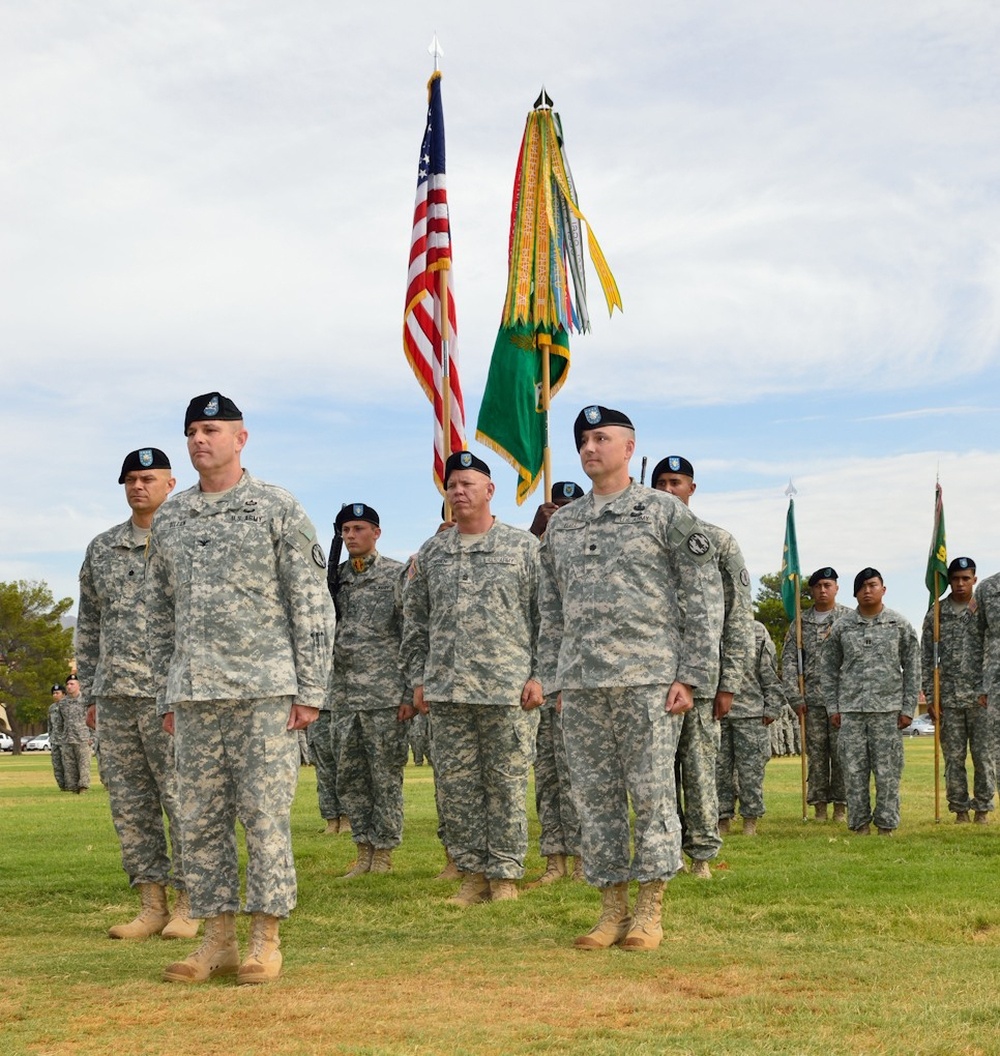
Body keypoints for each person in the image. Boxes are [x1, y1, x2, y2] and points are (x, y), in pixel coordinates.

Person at [146, 392, 335, 985]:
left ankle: (265, 939)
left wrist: (311, 689)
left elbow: (311, 602)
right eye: (192, 432)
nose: (200, 440)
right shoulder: (173, 517)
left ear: (240, 438)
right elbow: (158, 613)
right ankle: (216, 940)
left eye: (211, 429)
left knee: (263, 817)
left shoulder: (276, 507)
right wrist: (166, 693)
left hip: (265, 692)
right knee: (199, 820)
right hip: (196, 695)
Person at [539, 408, 722, 951]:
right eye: (583, 440)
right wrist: (555, 681)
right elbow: (550, 610)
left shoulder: (663, 513)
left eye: (602, 438)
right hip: (584, 685)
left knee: (652, 797)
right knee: (594, 799)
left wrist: (691, 675)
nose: (590, 447)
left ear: (629, 446)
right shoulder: (565, 524)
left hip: (649, 680)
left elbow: (702, 597)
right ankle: (610, 910)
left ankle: (649, 910)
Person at [401, 450, 542, 905]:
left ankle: (503, 876)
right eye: (452, 486)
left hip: (507, 690)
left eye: (467, 484)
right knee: (458, 788)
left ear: (489, 490)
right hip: (447, 690)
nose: (458, 492)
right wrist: (418, 679)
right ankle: (472, 873)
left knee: (504, 784)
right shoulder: (433, 552)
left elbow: (548, 617)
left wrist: (540, 675)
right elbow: (415, 622)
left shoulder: (523, 548)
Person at [76, 446, 197, 940]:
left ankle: (193, 902)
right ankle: (151, 903)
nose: (137, 486)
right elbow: (89, 624)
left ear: (171, 483)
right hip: (117, 696)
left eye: (147, 478)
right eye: (129, 479)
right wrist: (89, 694)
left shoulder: (191, 539)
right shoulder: (102, 548)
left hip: (174, 695)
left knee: (185, 800)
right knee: (130, 804)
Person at [651, 455, 753, 878]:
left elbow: (737, 615)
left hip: (703, 680)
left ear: (692, 488)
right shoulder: (642, 539)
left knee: (698, 768)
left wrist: (729, 680)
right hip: (651, 675)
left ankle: (703, 855)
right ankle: (665, 851)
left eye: (677, 482)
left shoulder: (716, 541)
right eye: (661, 483)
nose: (669, 490)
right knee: (656, 773)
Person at [329, 503, 410, 877]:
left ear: (376, 533)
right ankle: (362, 849)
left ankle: (385, 853)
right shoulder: (333, 578)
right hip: (343, 696)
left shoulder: (396, 575)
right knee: (350, 776)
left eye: (358, 529)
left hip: (384, 695)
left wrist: (408, 692)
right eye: (345, 530)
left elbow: (411, 634)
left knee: (385, 776)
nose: (350, 537)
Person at [822, 568, 920, 835]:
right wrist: (833, 707)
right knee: (853, 773)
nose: (867, 590)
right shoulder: (842, 627)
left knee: (888, 774)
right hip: (851, 712)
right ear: (854, 593)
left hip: (888, 713)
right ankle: (859, 825)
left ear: (883, 589)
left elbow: (913, 668)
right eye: (862, 586)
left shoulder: (899, 625)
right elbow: (828, 670)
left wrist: (908, 708)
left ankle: (886, 826)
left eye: (872, 585)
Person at [526, 481, 586, 887]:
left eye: (570, 507)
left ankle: (585, 859)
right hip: (536, 680)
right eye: (555, 507)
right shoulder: (532, 553)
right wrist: (536, 534)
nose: (561, 513)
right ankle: (554, 860)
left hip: (577, 680)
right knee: (546, 777)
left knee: (579, 776)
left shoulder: (586, 553)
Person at [922, 557, 992, 823]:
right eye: (955, 578)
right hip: (948, 699)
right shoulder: (936, 614)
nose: (960, 583)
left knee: (984, 757)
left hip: (981, 698)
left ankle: (983, 809)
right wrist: (931, 695)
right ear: (948, 580)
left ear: (975, 579)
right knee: (953, 758)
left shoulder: (986, 611)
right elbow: (927, 658)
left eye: (966, 578)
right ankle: (960, 809)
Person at [782, 567, 852, 822]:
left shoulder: (849, 619)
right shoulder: (800, 623)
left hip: (842, 701)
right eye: (818, 586)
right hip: (811, 702)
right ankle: (820, 806)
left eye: (828, 585)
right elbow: (789, 662)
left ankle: (841, 807)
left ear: (836, 588)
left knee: (842, 753)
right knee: (817, 755)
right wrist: (795, 698)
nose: (823, 590)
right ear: (811, 590)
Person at [717, 621, 786, 835]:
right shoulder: (709, 627)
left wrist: (772, 705)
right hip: (716, 711)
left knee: (751, 772)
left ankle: (750, 821)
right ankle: (722, 819)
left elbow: (768, 670)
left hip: (751, 712)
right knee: (718, 771)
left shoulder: (757, 630)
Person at [60, 674, 91, 794]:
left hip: (83, 737)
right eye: (67, 684)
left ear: (79, 685)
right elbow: (61, 722)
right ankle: (72, 788)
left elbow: (93, 719)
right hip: (67, 737)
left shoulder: (86, 701)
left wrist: (92, 737)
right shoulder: (63, 703)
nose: (69, 686)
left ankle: (83, 787)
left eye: (72, 684)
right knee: (69, 765)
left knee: (84, 764)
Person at [48, 684, 67, 791]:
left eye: (57, 693)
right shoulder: (51, 708)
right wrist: (50, 736)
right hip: (55, 740)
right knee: (57, 765)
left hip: (66, 740)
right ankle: (62, 786)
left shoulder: (68, 706)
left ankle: (70, 785)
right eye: (53, 693)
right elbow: (50, 724)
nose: (55, 695)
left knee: (67, 764)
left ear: (64, 694)